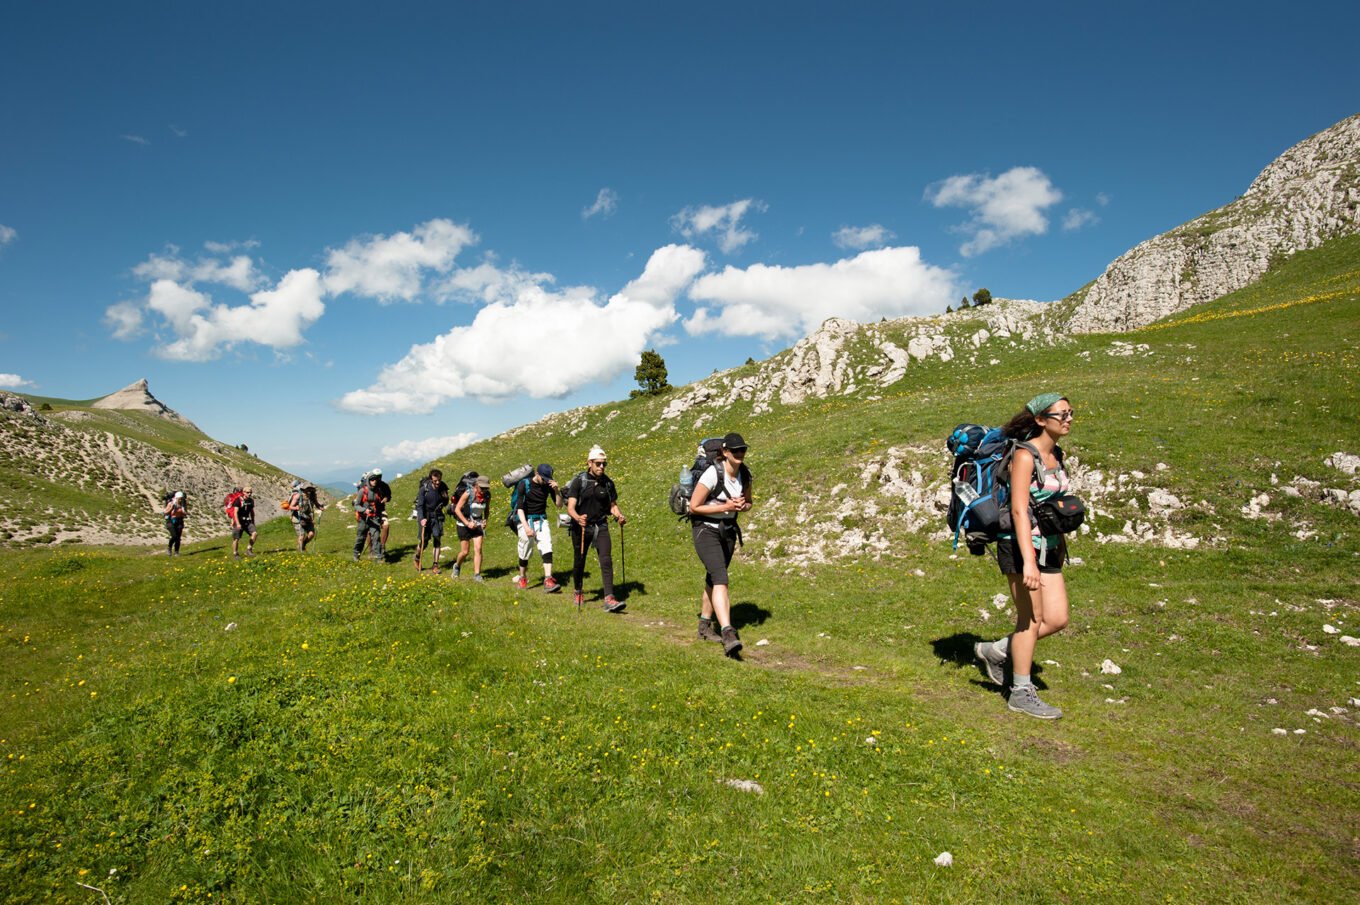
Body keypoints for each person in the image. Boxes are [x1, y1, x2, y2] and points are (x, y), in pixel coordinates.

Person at [974, 392, 1076, 720]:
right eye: (1061, 414)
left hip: (1048, 545)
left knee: (1057, 618)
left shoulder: (1057, 454)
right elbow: (1018, 509)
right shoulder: (1024, 456)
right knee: (1029, 620)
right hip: (1019, 547)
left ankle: (997, 650)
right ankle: (1020, 692)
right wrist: (1028, 560)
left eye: (1070, 412)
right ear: (1040, 420)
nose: (1068, 419)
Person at [689, 433, 753, 657]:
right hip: (705, 530)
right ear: (725, 452)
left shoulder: (745, 474)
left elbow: (749, 503)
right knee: (721, 579)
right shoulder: (712, 473)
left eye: (743, 450)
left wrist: (741, 506)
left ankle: (704, 626)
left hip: (728, 531)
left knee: (713, 577)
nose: (740, 454)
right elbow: (694, 507)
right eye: (735, 451)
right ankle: (728, 633)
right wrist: (724, 506)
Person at [565, 446, 627, 612]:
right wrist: (578, 518)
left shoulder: (608, 483)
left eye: (604, 464)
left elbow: (612, 505)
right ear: (589, 463)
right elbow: (570, 507)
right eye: (598, 463)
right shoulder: (579, 481)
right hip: (582, 527)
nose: (601, 467)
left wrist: (618, 515)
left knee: (606, 559)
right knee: (580, 560)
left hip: (601, 525)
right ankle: (578, 591)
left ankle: (609, 598)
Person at [514, 464, 562, 592]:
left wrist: (556, 490)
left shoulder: (548, 484)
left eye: (547, 478)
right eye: (543, 478)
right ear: (536, 474)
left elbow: (559, 505)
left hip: (541, 519)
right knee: (525, 551)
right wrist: (526, 527)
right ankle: (522, 577)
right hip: (526, 520)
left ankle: (548, 579)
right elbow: (519, 508)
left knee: (547, 546)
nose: (545, 481)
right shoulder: (524, 484)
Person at [452, 473, 491, 580]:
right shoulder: (468, 493)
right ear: (477, 485)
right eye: (482, 488)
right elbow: (457, 510)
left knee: (478, 549)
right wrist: (467, 523)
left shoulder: (487, 495)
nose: (483, 490)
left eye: (485, 488)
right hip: (463, 524)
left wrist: (485, 520)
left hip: (477, 524)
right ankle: (457, 566)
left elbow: (487, 510)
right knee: (465, 552)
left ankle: (477, 575)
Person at [414, 468, 450, 573]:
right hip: (426, 516)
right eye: (435, 481)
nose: (438, 482)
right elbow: (419, 506)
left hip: (437, 516)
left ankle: (435, 565)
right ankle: (417, 558)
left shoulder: (443, 487)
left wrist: (445, 498)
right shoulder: (424, 489)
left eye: (439, 480)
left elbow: (445, 502)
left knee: (437, 538)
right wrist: (421, 519)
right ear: (431, 480)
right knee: (424, 541)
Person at [353, 470, 390, 562]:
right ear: (369, 480)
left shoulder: (378, 491)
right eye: (372, 479)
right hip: (363, 518)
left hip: (375, 517)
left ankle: (378, 557)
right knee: (361, 537)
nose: (374, 481)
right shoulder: (362, 491)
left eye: (376, 479)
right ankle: (356, 555)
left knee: (376, 536)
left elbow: (384, 499)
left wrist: (383, 503)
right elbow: (356, 505)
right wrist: (364, 510)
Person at [230, 485, 258, 558]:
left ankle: (249, 549)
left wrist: (253, 522)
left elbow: (252, 512)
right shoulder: (238, 500)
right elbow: (235, 512)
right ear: (243, 492)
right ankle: (235, 553)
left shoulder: (251, 501)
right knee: (236, 538)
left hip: (247, 521)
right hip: (238, 521)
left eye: (251, 492)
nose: (249, 494)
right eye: (248, 492)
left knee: (254, 533)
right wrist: (238, 523)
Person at [163, 491, 187, 556]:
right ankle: (169, 547)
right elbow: (165, 512)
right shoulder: (171, 504)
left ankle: (176, 552)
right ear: (176, 498)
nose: (181, 500)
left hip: (179, 521)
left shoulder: (183, 504)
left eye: (182, 498)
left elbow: (185, 514)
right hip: (170, 521)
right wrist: (171, 508)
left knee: (178, 538)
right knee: (174, 536)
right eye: (180, 498)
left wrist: (184, 512)